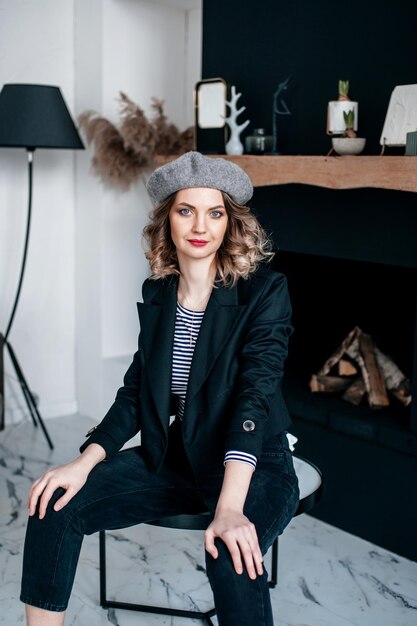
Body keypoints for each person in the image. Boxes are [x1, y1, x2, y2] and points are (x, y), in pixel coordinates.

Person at [20, 151, 300, 626]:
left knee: (230, 553)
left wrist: (230, 507)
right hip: (179, 458)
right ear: (166, 219)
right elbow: (135, 392)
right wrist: (85, 461)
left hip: (255, 465)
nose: (200, 225)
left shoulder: (264, 293)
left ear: (230, 223)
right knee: (53, 506)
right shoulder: (159, 294)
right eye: (185, 210)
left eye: (215, 212)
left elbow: (254, 396)